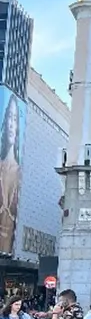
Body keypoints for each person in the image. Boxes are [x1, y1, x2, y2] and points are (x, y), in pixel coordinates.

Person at [0, 92, 22, 256]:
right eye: (9, 117)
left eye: (15, 119)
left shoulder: (19, 172)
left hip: (8, 247)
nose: (11, 124)